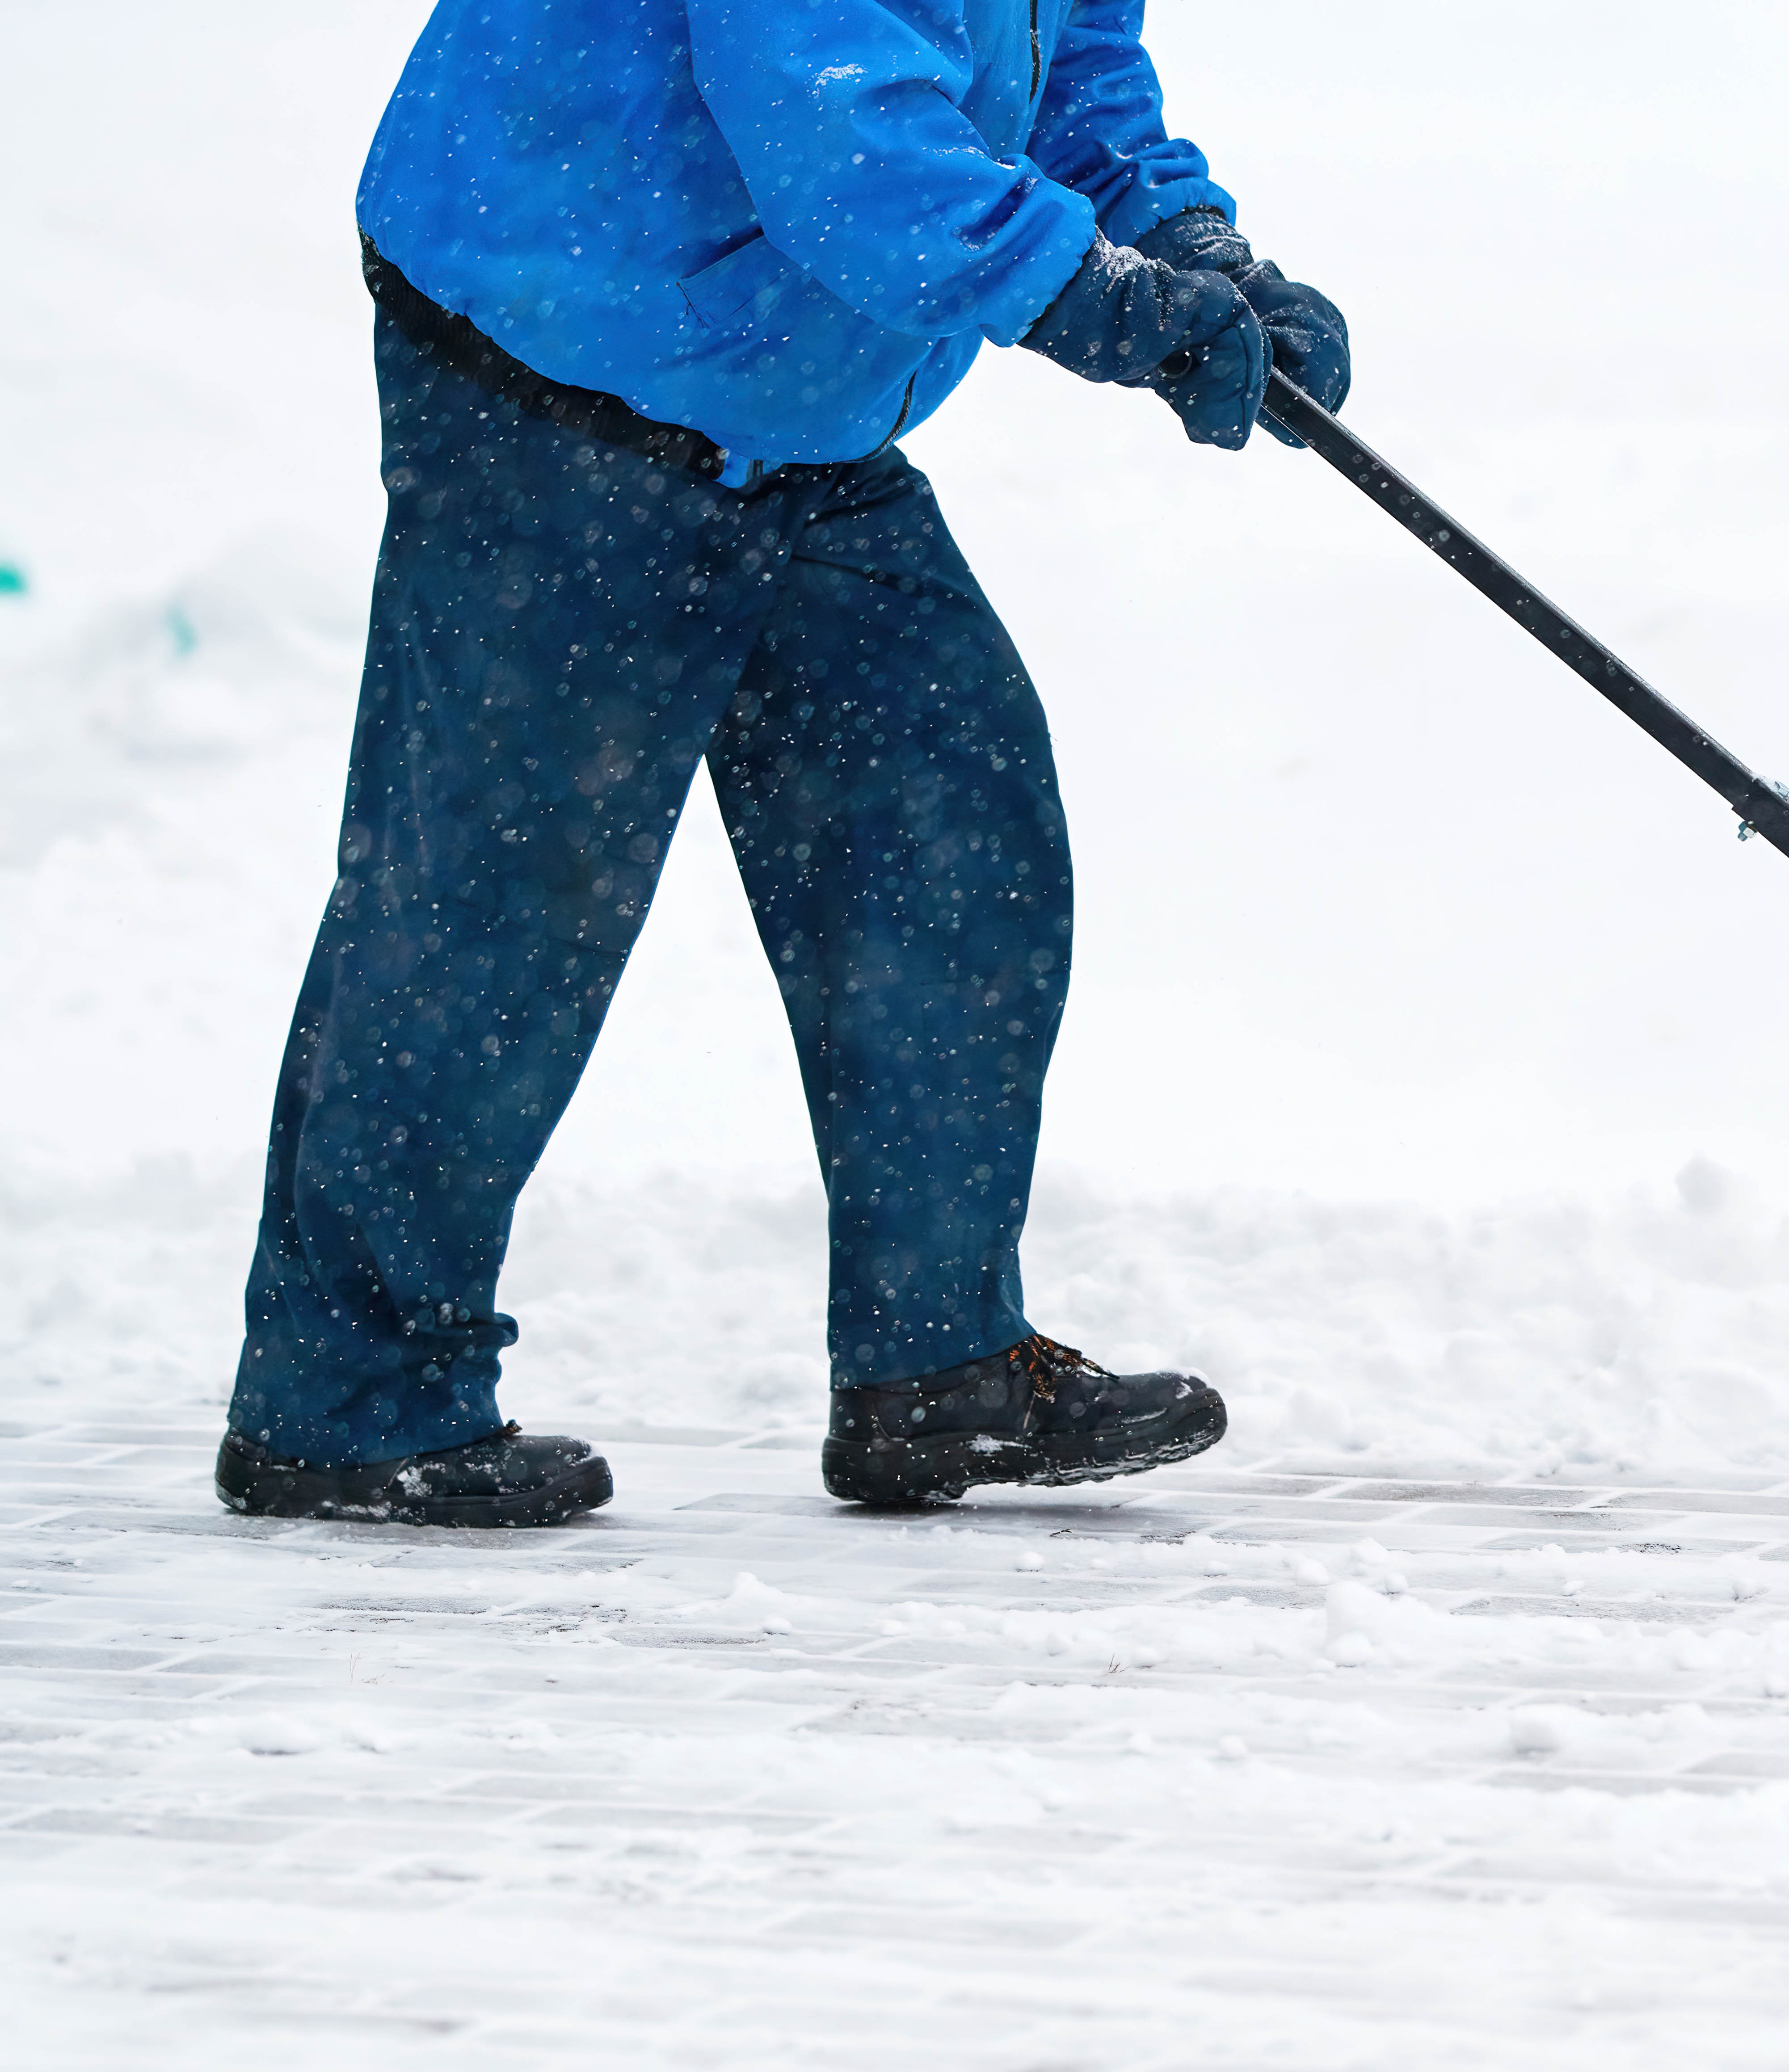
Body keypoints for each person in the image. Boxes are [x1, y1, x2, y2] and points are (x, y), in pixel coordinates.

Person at [214, 1, 1343, 1529]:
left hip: (790, 394)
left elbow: (1069, 53)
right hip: (568, 359)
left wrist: (1188, 242)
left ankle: (934, 1369)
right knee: (497, 903)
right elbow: (840, 129)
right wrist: (1093, 295)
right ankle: (346, 1406)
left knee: (949, 833)